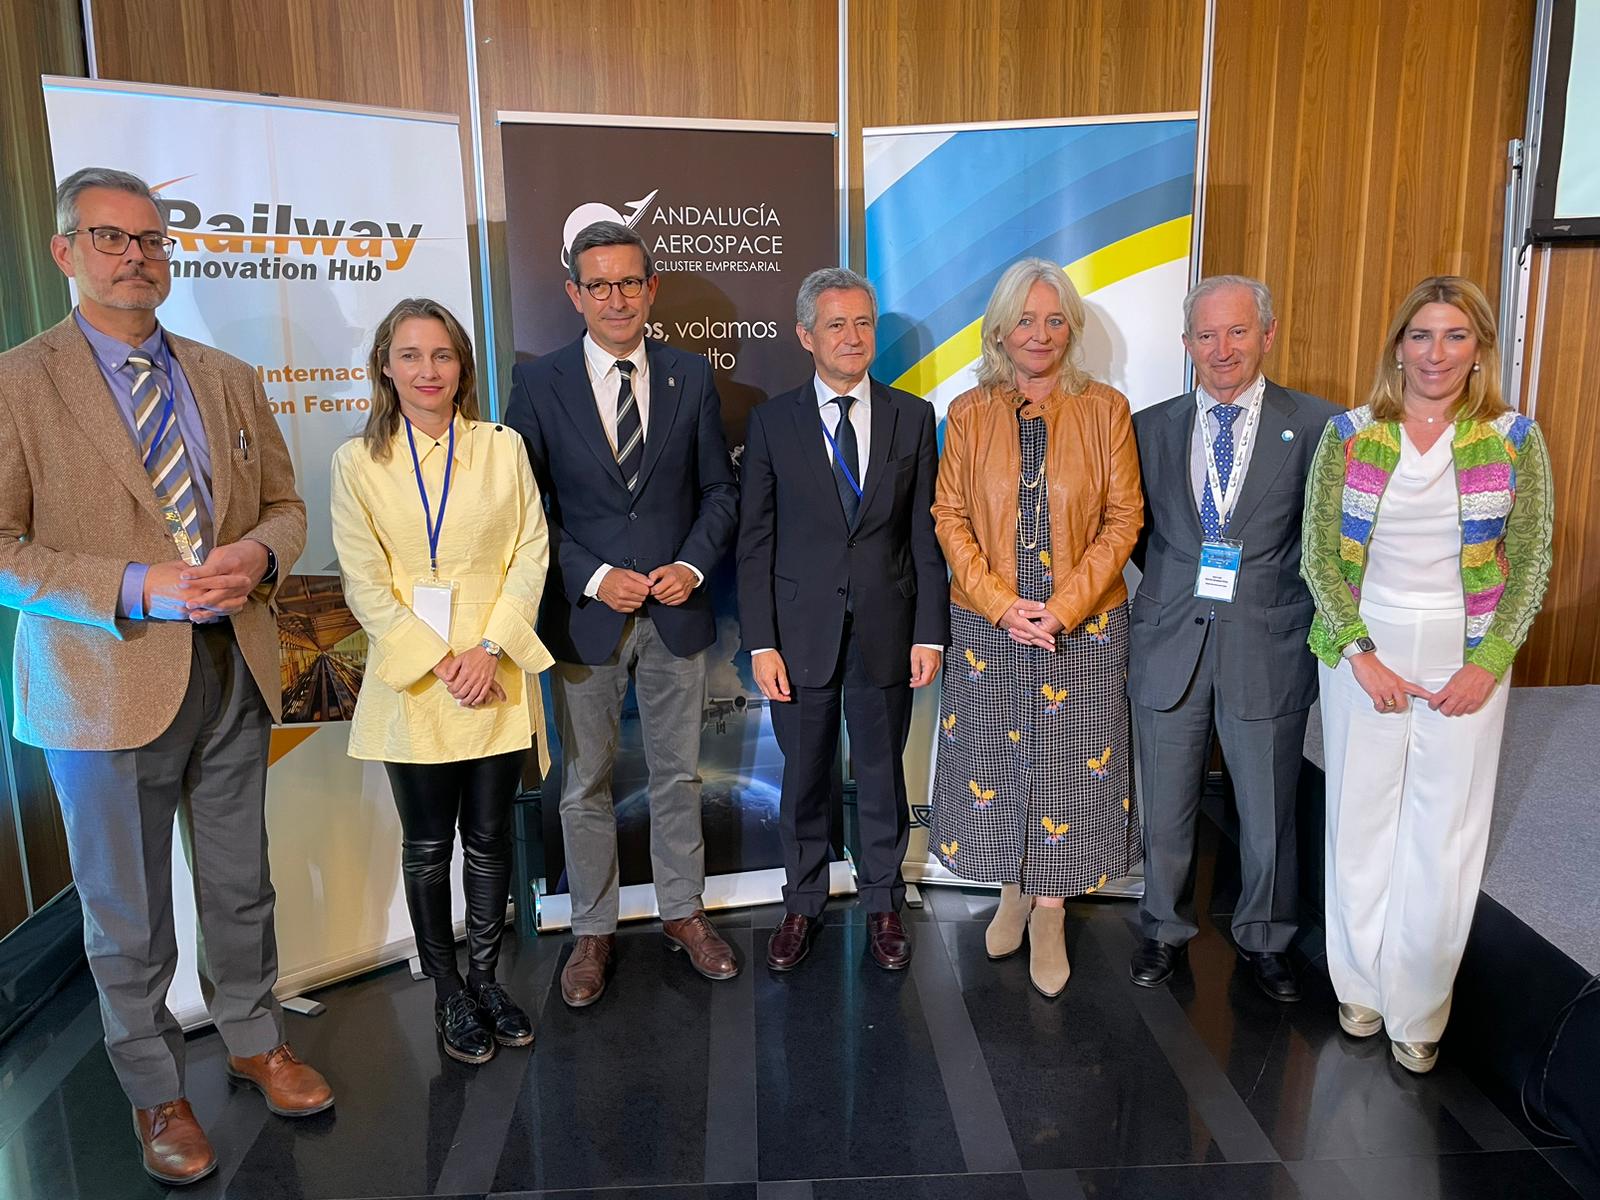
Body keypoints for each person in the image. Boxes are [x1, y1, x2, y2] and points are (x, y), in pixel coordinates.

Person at [0, 167, 327, 1186]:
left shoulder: (225, 375)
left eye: (150, 239)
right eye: (111, 238)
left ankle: (252, 1037)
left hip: (233, 670)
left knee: (239, 885)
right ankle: (156, 1092)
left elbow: (284, 505)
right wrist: (138, 584)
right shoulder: (17, 382)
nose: (136, 256)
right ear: (66, 252)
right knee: (126, 912)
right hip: (102, 687)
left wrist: (261, 559)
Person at [1302, 276, 1553, 1074]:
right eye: (1420, 335)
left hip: (1466, 647)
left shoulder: (1515, 438)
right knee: (1360, 820)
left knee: (1444, 834)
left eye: (1453, 336)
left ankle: (1420, 1007)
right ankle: (1362, 988)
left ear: (1479, 349)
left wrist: (1487, 664)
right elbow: (1318, 556)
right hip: (1362, 648)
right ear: (1397, 346)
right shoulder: (1349, 433)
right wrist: (1358, 651)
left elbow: (1531, 562)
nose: (1435, 353)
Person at [505, 220, 740, 1008]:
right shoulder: (538, 385)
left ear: (652, 289)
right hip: (586, 617)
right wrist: (596, 575)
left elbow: (720, 491)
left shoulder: (690, 376)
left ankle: (683, 913)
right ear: (574, 293)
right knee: (585, 785)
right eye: (598, 284)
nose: (616, 298)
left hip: (676, 614)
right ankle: (592, 930)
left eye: (629, 282)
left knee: (678, 774)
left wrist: (693, 563)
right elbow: (527, 507)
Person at [330, 298, 554, 1065]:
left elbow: (531, 554)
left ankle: (487, 980)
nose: (428, 371)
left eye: (443, 355)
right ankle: (447, 993)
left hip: (493, 670)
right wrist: (440, 659)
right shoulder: (357, 462)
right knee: (429, 848)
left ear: (463, 366)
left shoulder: (502, 447)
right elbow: (363, 582)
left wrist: (487, 649)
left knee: (490, 840)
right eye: (411, 355)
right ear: (386, 368)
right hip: (415, 683)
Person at [930, 258, 1143, 997]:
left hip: (1082, 627)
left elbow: (1124, 520)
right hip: (991, 627)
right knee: (995, 762)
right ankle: (1012, 888)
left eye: (1055, 319)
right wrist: (999, 604)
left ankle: (1050, 909)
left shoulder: (1106, 410)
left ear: (1072, 328)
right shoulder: (967, 412)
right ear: (1000, 329)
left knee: (1069, 767)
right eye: (1026, 319)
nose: (1041, 333)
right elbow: (949, 517)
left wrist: (1062, 606)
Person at [1127, 275, 1338, 1003]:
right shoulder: (1149, 426)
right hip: (1168, 640)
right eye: (1207, 335)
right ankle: (1162, 927)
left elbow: (1328, 543)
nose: (1222, 349)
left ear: (1267, 335)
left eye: (1238, 332)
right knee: (1167, 801)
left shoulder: (1318, 426)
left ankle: (1266, 940)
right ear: (1187, 345)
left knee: (1268, 809)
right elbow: (1138, 533)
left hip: (1267, 643)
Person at [736, 267, 947, 972]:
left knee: (884, 772)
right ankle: (801, 904)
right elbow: (755, 540)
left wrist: (928, 630)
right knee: (805, 777)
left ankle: (884, 900)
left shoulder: (912, 418)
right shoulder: (771, 423)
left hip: (888, 630)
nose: (853, 338)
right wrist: (760, 641)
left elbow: (925, 533)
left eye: (863, 323)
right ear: (805, 336)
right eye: (836, 325)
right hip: (798, 636)